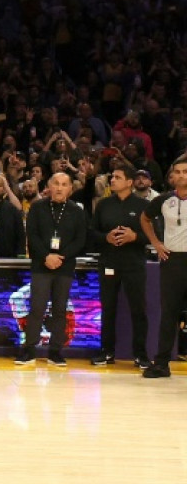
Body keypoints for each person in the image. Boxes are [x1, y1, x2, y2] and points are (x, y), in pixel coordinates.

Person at [14, 171, 87, 368]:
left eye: (64, 184)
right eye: (56, 183)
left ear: (70, 189)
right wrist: (46, 256)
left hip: (64, 266)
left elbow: (80, 239)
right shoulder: (37, 208)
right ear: (49, 186)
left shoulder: (77, 211)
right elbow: (32, 234)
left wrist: (60, 257)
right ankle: (29, 349)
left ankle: (55, 352)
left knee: (60, 310)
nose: (59, 188)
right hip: (41, 264)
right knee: (36, 308)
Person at [88, 162, 150, 368]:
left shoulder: (143, 206)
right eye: (112, 177)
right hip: (109, 262)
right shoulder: (104, 205)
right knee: (108, 309)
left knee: (138, 310)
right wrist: (106, 237)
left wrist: (135, 236)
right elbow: (92, 233)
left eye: (117, 177)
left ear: (130, 182)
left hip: (133, 264)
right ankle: (107, 352)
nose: (112, 180)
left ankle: (140, 354)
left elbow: (153, 235)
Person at [139, 154, 187, 378]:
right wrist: (156, 243)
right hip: (173, 260)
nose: (180, 175)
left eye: (185, 172)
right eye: (177, 172)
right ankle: (161, 363)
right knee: (169, 313)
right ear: (171, 176)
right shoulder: (165, 200)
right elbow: (145, 218)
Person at [0, 171, 25, 257]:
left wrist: (20, 256)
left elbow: (20, 236)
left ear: (4, 189)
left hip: (7, 258)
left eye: (0, 185)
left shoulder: (12, 210)